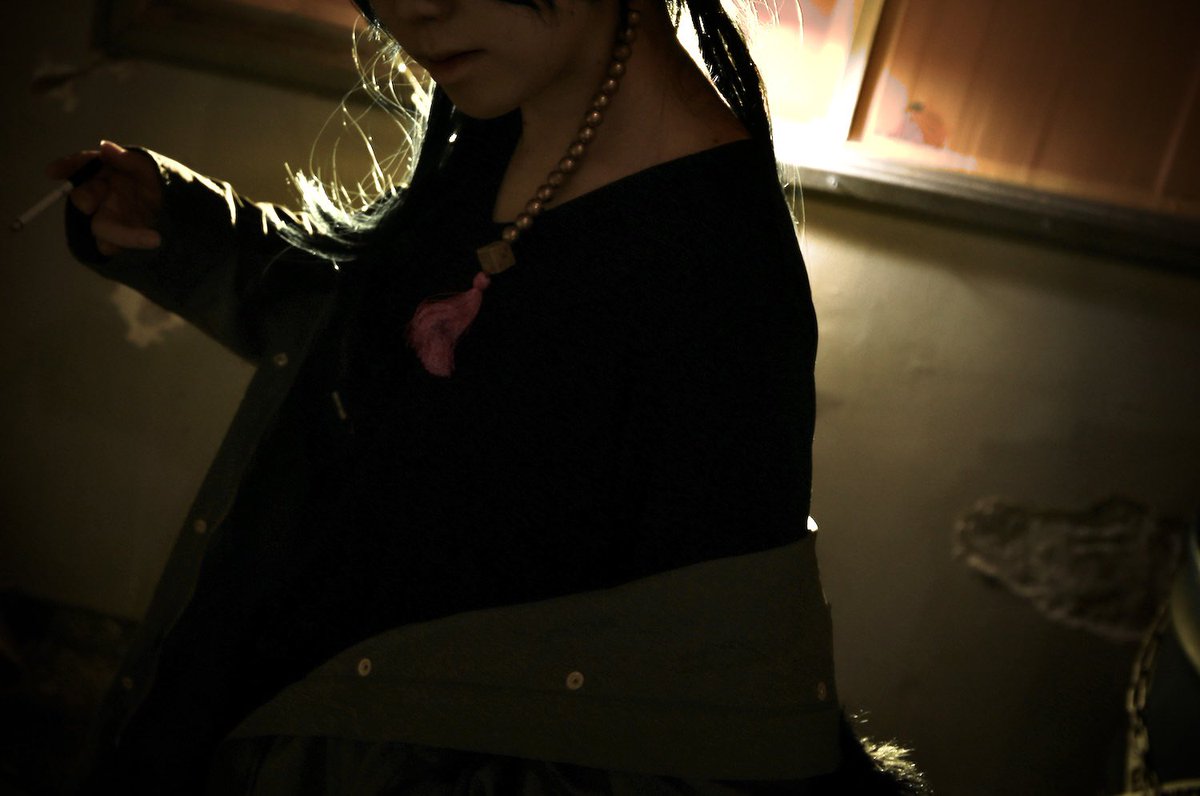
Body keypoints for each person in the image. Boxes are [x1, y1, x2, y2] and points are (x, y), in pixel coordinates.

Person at [49, 0, 924, 792]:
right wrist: (179, 225)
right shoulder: (508, 116)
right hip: (233, 709)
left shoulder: (716, 267)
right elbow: (381, 350)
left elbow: (708, 724)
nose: (414, 12)